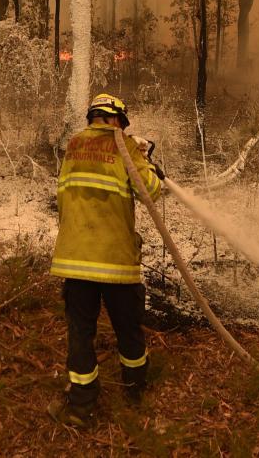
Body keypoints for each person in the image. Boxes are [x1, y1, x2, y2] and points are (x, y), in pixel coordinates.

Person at [47, 94, 164, 428]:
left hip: (75, 259)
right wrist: (147, 163)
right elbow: (151, 191)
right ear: (116, 120)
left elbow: (63, 195)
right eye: (122, 124)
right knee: (127, 327)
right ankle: (136, 391)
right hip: (116, 262)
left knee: (80, 334)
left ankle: (82, 407)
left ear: (93, 118)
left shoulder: (73, 145)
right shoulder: (124, 147)